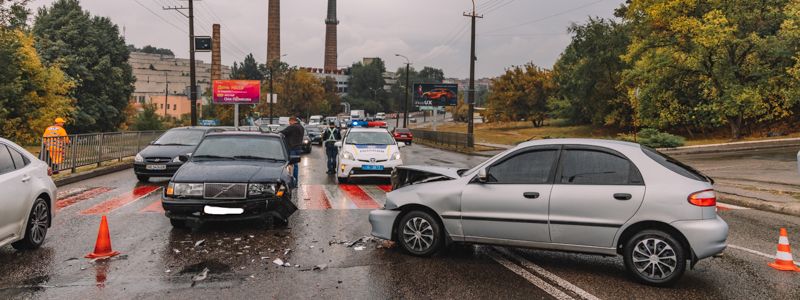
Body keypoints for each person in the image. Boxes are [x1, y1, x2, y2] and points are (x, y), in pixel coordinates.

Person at [279, 116, 304, 187]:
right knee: (296, 165)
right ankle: (296, 181)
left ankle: (290, 182)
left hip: (292, 148)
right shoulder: (301, 127)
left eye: (289, 122)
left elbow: (282, 132)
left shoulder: (292, 127)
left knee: (289, 165)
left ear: (292, 121)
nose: (289, 123)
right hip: (299, 148)